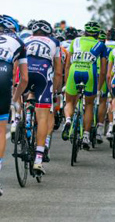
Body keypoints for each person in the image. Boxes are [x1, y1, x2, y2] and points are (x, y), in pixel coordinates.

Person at [15, 20, 62, 174]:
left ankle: (18, 120)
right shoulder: (55, 42)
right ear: (48, 34)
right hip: (43, 74)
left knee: (21, 96)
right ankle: (38, 160)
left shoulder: (24, 39)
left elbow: (16, 65)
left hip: (26, 72)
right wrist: (55, 91)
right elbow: (59, 72)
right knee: (43, 118)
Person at [61, 21, 107, 150]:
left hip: (74, 71)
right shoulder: (101, 45)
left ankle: (68, 119)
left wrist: (65, 83)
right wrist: (99, 88)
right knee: (89, 105)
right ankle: (86, 135)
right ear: (98, 34)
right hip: (89, 73)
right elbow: (103, 71)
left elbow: (67, 64)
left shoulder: (75, 41)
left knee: (69, 101)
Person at [0, 15, 28, 196]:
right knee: (1, 129)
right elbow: (24, 78)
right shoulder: (18, 42)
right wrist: (15, 99)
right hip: (3, 76)